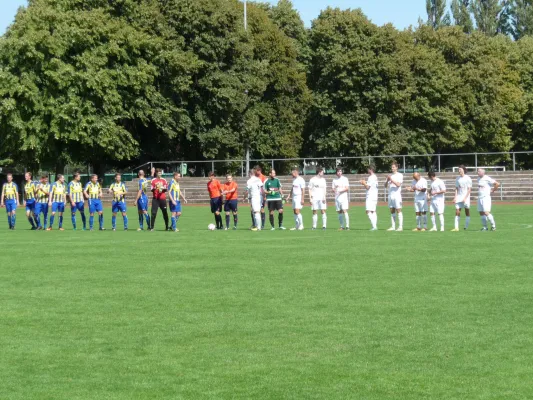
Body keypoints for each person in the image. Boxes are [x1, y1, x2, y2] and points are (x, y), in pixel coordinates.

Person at [453, 165, 472, 231]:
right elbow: (456, 188)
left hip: (466, 197)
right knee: (457, 211)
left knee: (467, 211)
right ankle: (456, 228)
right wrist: (455, 197)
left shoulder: (468, 178)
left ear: (463, 170)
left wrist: (465, 198)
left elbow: (469, 189)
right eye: (458, 170)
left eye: (460, 169)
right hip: (459, 196)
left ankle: (466, 227)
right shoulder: (457, 178)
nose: (459, 171)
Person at [385, 162, 404, 231]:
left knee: (398, 210)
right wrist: (387, 180)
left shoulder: (399, 175)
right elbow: (385, 186)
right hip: (390, 195)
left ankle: (400, 227)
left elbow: (398, 185)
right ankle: (393, 226)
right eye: (391, 167)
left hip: (397, 195)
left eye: (393, 167)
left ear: (396, 167)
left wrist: (391, 180)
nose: (392, 168)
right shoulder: (390, 176)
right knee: (392, 210)